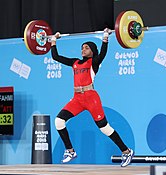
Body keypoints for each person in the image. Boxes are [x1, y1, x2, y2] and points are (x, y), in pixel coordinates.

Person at [50, 29, 134, 167]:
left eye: (86, 48)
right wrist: (53, 40)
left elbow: (103, 54)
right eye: (82, 48)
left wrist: (105, 37)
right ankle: (70, 150)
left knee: (104, 128)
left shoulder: (94, 63)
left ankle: (126, 151)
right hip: (77, 98)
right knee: (59, 121)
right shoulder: (75, 62)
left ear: (92, 51)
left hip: (91, 98)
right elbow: (56, 57)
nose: (83, 50)